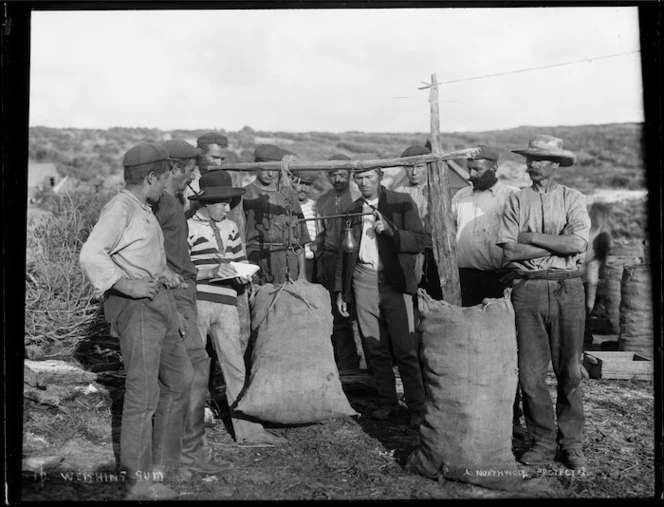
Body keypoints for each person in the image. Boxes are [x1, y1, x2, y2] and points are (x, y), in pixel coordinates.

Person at [79, 143, 194, 500]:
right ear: (149, 177)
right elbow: (90, 253)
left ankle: (160, 465)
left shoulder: (143, 208)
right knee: (143, 396)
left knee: (180, 380)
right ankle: (137, 481)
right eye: (162, 179)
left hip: (160, 304)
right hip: (138, 310)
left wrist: (165, 279)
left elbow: (140, 256)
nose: (165, 187)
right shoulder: (120, 209)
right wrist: (125, 283)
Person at [498, 135, 590, 470]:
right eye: (531, 159)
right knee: (531, 374)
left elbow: (578, 244)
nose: (533, 165)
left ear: (556, 164)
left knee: (570, 372)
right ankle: (542, 442)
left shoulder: (572, 198)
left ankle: (572, 444)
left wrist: (533, 238)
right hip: (529, 289)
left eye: (541, 159)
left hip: (568, 289)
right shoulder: (516, 200)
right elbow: (509, 250)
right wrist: (558, 243)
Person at [187, 170, 286, 445]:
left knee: (235, 368)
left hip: (227, 304)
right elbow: (179, 273)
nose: (227, 207)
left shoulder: (230, 227)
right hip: (198, 304)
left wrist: (244, 275)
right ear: (206, 203)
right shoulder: (188, 228)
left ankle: (249, 432)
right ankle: (192, 434)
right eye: (221, 203)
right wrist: (211, 270)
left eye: (229, 202)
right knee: (195, 367)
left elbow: (239, 260)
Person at [154, 139, 231, 473]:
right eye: (190, 171)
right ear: (175, 168)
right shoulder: (163, 204)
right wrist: (166, 278)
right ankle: (181, 456)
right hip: (176, 294)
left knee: (191, 370)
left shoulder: (170, 201)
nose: (192, 177)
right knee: (189, 372)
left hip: (183, 290)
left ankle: (182, 453)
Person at [334, 165, 428, 428]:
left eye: (368, 177)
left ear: (380, 177)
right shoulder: (352, 209)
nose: (363, 182)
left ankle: (417, 406)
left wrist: (390, 231)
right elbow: (344, 252)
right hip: (362, 280)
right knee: (374, 348)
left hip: (394, 281)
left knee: (405, 347)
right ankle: (388, 402)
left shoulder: (401, 202)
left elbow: (420, 240)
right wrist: (342, 291)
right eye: (359, 178)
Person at [450, 145, 525, 439]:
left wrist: (513, 273)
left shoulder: (510, 197)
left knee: (503, 351)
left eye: (477, 169)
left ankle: (511, 417)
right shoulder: (460, 197)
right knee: (469, 347)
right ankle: (473, 411)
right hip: (465, 280)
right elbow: (448, 234)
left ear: (494, 167)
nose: (470, 174)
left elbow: (518, 239)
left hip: (498, 281)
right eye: (469, 167)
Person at [314, 154, 361, 371]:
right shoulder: (323, 201)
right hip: (332, 258)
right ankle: (345, 363)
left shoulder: (358, 196)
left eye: (342, 174)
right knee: (337, 314)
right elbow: (321, 234)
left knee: (360, 312)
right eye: (333, 175)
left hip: (357, 259)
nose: (338, 179)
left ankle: (370, 364)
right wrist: (322, 261)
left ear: (350, 174)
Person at [243, 144, 310, 285]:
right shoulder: (245, 195)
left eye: (274, 168)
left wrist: (302, 274)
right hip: (256, 262)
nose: (270, 174)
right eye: (265, 168)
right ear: (256, 165)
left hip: (287, 262)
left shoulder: (289, 195)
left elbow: (300, 240)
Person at [394, 145, 442, 300]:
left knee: (434, 298)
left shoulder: (437, 191)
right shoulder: (398, 193)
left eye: (419, 167)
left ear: (427, 166)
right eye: (409, 167)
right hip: (407, 254)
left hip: (433, 253)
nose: (414, 172)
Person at [581, 201, 612, 350]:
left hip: (590, 275)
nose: (592, 216)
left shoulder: (603, 233)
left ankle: (586, 341)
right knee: (582, 309)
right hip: (578, 272)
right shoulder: (584, 227)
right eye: (591, 213)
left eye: (596, 214)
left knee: (586, 309)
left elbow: (603, 258)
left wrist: (601, 276)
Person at [183, 131, 229, 216]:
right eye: (215, 157)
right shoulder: (186, 181)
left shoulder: (224, 180)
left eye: (222, 159)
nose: (218, 164)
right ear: (200, 153)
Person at [293, 170, 319, 282]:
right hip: (291, 262)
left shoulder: (315, 207)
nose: (303, 188)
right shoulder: (283, 206)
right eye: (300, 183)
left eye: (308, 185)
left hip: (311, 263)